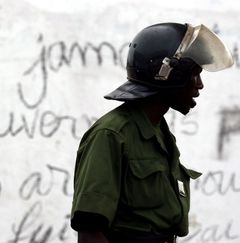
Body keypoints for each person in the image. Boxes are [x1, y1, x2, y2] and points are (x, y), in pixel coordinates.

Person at [70, 23, 234, 243]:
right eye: (194, 74)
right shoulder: (111, 134)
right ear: (167, 75)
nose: (200, 85)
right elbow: (90, 232)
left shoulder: (158, 131)